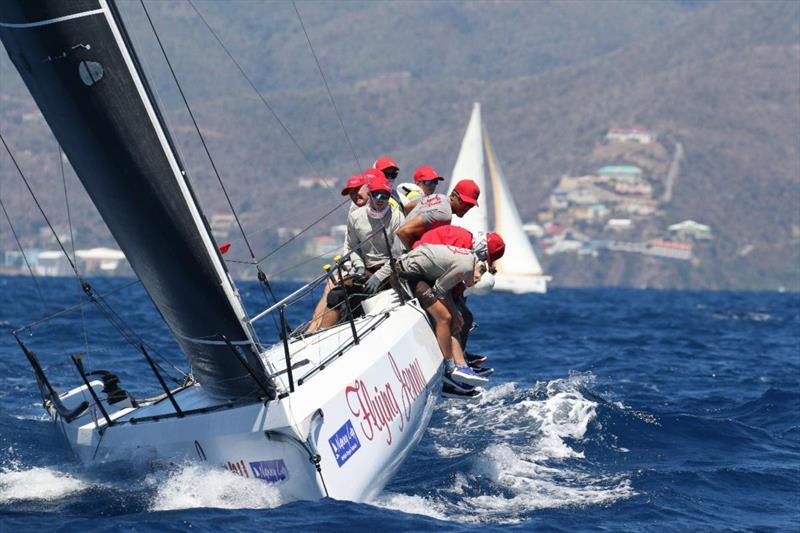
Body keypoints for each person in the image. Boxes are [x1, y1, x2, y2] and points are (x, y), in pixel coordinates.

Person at [393, 242, 493, 399]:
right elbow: (439, 291)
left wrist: (457, 314)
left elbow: (444, 291)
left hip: (417, 273)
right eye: (474, 283)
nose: (471, 285)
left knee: (454, 317)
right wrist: (454, 314)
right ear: (478, 275)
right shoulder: (466, 268)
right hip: (406, 273)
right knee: (444, 317)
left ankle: (459, 366)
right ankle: (451, 368)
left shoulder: (470, 261)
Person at [311, 173, 404, 331]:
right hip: (367, 268)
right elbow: (353, 247)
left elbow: (398, 256)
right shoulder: (355, 217)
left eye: (385, 195)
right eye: (376, 194)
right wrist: (359, 266)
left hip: (392, 270)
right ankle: (321, 334)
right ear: (370, 195)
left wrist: (379, 277)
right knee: (336, 294)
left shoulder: (397, 217)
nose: (381, 199)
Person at [396, 179, 481, 250]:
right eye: (464, 202)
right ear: (453, 195)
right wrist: (414, 258)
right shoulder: (444, 214)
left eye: (470, 205)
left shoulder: (437, 197)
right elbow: (403, 231)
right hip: (401, 258)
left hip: (395, 250)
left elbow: (408, 207)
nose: (466, 208)